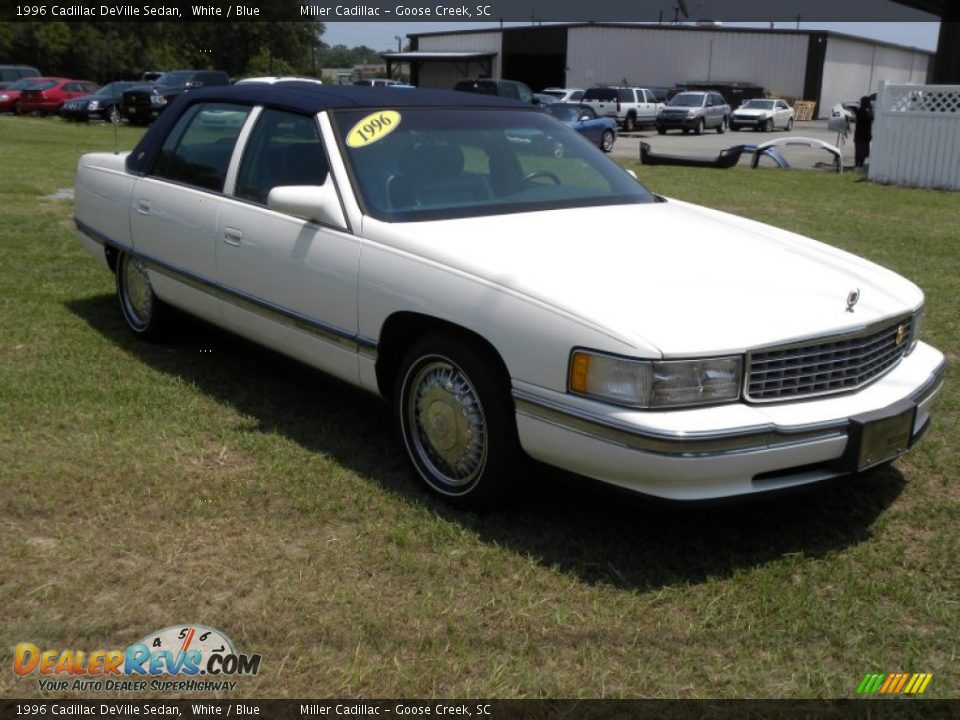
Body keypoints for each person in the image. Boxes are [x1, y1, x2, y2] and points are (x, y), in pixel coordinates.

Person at [854, 96, 873, 169]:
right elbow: (870, 118)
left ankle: (860, 165)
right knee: (860, 152)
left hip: (865, 136)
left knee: (865, 153)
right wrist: (870, 109)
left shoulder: (865, 111)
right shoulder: (860, 111)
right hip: (860, 136)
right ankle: (858, 165)